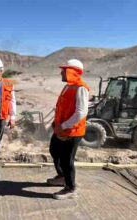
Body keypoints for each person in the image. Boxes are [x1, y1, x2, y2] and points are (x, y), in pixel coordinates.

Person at [46, 59, 89, 200]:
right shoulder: (67, 87)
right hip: (61, 129)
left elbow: (81, 113)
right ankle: (62, 177)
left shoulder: (81, 88)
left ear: (72, 72)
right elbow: (62, 107)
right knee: (54, 150)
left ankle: (70, 188)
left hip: (72, 131)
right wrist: (55, 122)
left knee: (66, 160)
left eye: (64, 70)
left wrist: (63, 125)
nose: (61, 73)